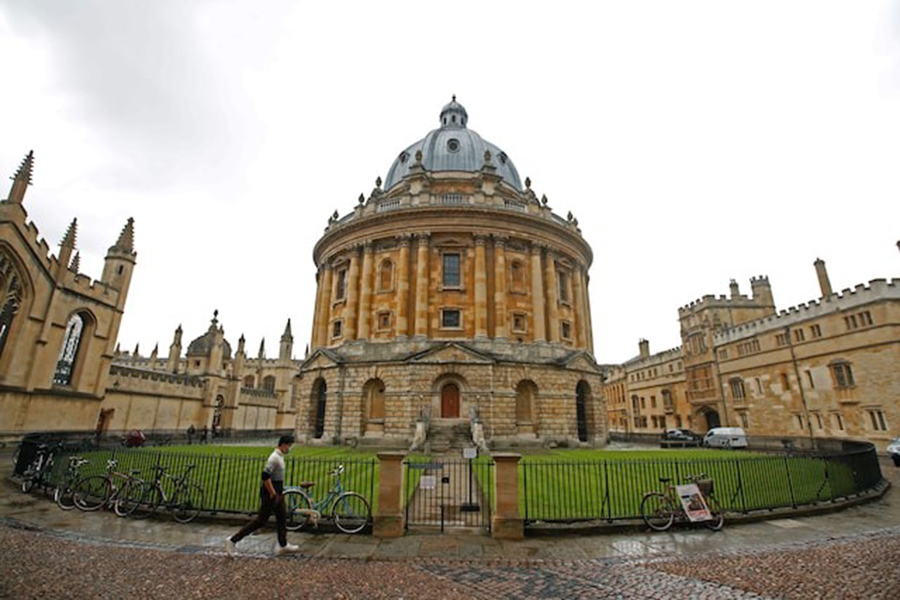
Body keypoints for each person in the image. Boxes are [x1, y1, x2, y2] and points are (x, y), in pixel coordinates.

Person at [225, 435, 299, 556]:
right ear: (284, 444)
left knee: (282, 518)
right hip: (271, 495)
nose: (290, 449)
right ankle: (232, 540)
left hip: (278, 494)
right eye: (289, 446)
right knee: (260, 521)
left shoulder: (279, 457)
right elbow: (265, 476)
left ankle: (283, 545)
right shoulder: (274, 458)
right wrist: (272, 493)